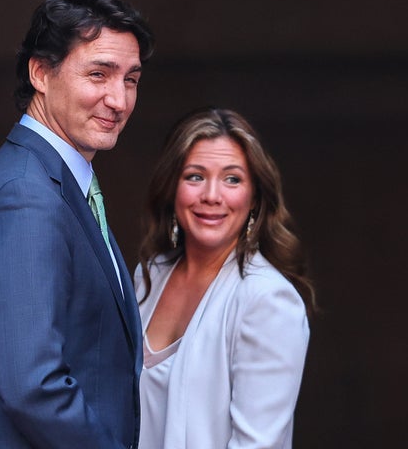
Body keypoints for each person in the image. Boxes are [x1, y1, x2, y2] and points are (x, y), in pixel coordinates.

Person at [0, 0, 154, 449]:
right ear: (41, 73)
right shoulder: (26, 195)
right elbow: (33, 386)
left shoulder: (51, 180)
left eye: (131, 79)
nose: (119, 100)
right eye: (99, 74)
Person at [135, 107, 315, 448]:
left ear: (254, 199)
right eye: (195, 176)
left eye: (232, 178)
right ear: (172, 188)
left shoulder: (268, 300)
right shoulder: (149, 277)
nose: (212, 196)